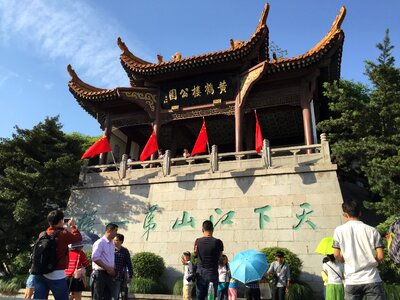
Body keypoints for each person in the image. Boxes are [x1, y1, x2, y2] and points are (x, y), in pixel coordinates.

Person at [333, 200, 386, 300]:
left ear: (345, 214)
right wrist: (372, 262)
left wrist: (344, 261)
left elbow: (336, 254)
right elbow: (380, 256)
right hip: (372, 278)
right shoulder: (372, 230)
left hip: (351, 280)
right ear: (360, 213)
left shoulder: (338, 231)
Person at [33, 210, 82, 300]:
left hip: (40, 272)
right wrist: (72, 226)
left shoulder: (42, 234)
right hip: (56, 273)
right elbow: (78, 238)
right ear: (60, 221)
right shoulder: (63, 234)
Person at [193, 220, 224, 300]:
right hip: (212, 273)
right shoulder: (218, 242)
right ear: (212, 230)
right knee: (211, 297)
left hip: (200, 274)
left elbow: (195, 255)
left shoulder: (197, 242)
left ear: (202, 230)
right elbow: (220, 257)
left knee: (200, 297)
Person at [91, 223, 119, 300]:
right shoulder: (100, 243)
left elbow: (111, 259)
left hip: (110, 274)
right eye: (115, 231)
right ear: (109, 230)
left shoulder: (112, 244)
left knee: (108, 297)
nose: (116, 233)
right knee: (98, 297)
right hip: (100, 274)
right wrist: (108, 268)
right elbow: (95, 258)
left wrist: (113, 269)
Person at [113, 233, 133, 300]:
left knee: (124, 295)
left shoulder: (125, 251)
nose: (114, 241)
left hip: (122, 277)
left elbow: (129, 263)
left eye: (116, 240)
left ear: (121, 241)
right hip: (112, 276)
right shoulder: (111, 250)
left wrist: (130, 275)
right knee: (115, 296)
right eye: (114, 240)